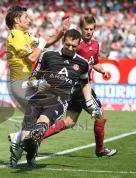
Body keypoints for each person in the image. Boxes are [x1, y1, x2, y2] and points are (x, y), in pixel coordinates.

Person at [21, 29, 100, 167]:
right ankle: (29, 149)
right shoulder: (47, 56)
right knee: (25, 138)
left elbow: (85, 84)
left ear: (78, 45)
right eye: (68, 44)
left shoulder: (83, 64)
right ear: (63, 42)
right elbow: (33, 77)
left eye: (74, 46)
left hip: (59, 99)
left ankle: (36, 135)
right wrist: (36, 83)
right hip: (38, 97)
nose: (70, 48)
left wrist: (90, 102)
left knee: (43, 120)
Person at [41, 15, 117, 157]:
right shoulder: (76, 44)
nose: (88, 31)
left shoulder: (95, 44)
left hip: (80, 87)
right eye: (86, 29)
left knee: (69, 121)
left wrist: (103, 71)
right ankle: (100, 150)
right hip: (80, 87)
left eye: (91, 29)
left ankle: (37, 137)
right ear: (81, 28)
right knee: (101, 117)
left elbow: (94, 62)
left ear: (94, 29)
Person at [5, 6, 69, 167]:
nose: (29, 19)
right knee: (57, 99)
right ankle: (18, 138)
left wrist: (61, 31)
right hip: (21, 84)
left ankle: (20, 149)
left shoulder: (25, 35)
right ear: (16, 20)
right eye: (25, 17)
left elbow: (47, 42)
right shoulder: (15, 35)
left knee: (36, 122)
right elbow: (33, 57)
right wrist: (41, 43)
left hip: (29, 83)